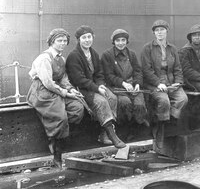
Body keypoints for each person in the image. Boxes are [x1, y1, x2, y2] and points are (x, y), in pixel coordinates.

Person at [27, 28, 85, 168]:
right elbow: (48, 83)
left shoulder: (61, 58)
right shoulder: (44, 58)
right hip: (43, 92)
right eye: (59, 41)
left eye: (65, 41)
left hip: (57, 89)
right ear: (52, 42)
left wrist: (71, 89)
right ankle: (56, 152)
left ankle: (57, 135)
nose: (62, 44)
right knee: (60, 117)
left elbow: (63, 78)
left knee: (78, 108)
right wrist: (65, 93)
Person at [66, 25, 126, 149]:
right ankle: (112, 135)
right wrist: (97, 88)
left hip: (94, 87)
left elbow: (99, 73)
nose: (87, 40)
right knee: (101, 102)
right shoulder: (74, 56)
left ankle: (104, 134)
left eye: (89, 37)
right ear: (79, 40)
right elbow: (79, 80)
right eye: (84, 38)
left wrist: (101, 85)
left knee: (112, 98)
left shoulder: (93, 53)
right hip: (81, 89)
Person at [141, 20, 188, 147]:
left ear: (167, 31)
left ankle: (169, 122)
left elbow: (178, 68)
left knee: (183, 99)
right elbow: (146, 70)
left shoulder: (172, 48)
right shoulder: (147, 48)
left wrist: (178, 82)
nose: (160, 32)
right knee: (164, 101)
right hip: (154, 82)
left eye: (162, 29)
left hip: (171, 81)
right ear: (154, 33)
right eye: (157, 30)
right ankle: (160, 129)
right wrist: (157, 83)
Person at [101, 29, 150, 139]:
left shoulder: (131, 54)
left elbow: (138, 71)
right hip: (117, 88)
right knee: (125, 103)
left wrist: (137, 84)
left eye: (123, 40)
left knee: (139, 104)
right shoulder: (107, 55)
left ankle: (137, 129)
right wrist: (123, 83)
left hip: (132, 86)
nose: (121, 43)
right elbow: (108, 76)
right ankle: (123, 131)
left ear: (127, 41)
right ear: (114, 42)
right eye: (118, 40)